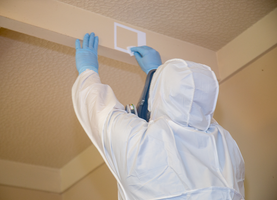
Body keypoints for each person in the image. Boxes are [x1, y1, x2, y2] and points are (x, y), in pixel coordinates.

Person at [72, 32, 245, 200]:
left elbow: (100, 111)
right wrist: (157, 74)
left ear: (159, 94)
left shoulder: (139, 143)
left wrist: (88, 71)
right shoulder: (225, 144)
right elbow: (191, 106)